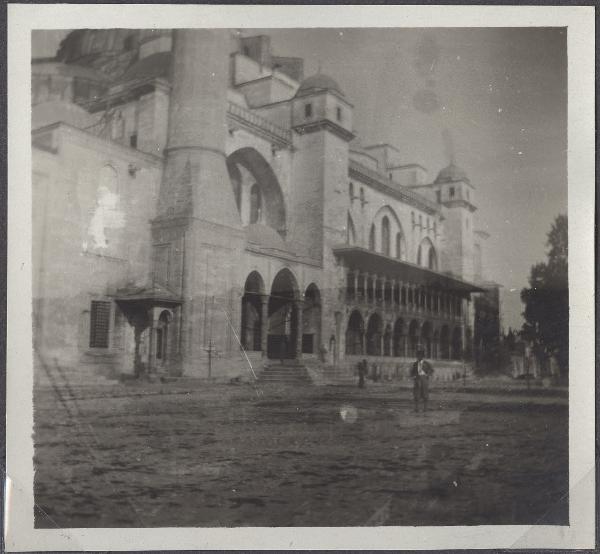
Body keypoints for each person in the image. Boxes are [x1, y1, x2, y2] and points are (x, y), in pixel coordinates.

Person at [410, 347, 434, 412]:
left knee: (425, 394)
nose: (419, 357)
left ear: (423, 356)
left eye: (420, 356)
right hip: (417, 379)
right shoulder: (415, 364)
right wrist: (413, 376)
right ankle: (416, 408)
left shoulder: (426, 363)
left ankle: (425, 408)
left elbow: (431, 370)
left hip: (424, 379)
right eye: (418, 356)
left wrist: (427, 375)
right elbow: (412, 372)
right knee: (416, 394)